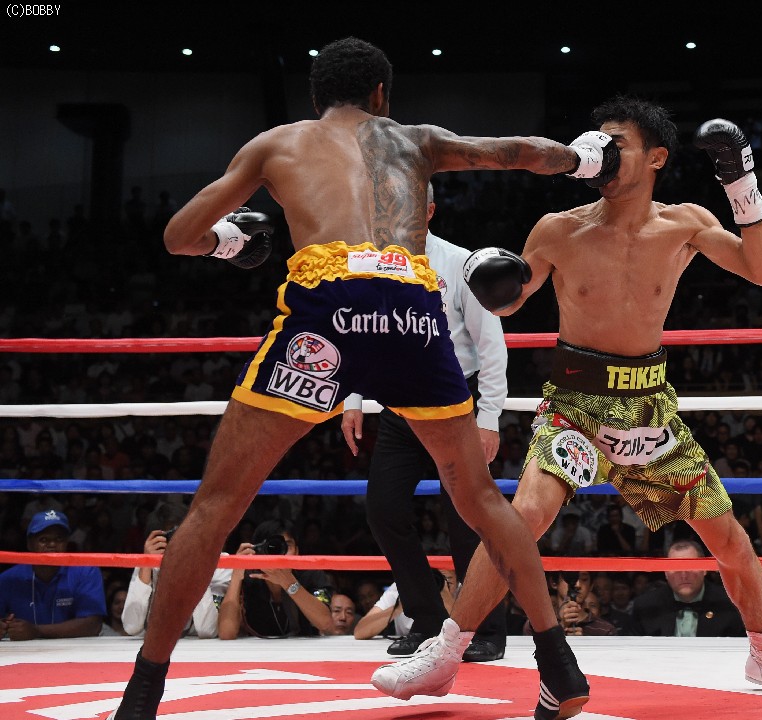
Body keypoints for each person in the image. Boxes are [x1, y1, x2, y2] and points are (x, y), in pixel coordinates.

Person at [105, 36, 616, 720]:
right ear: (382, 95)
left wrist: (228, 242)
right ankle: (557, 664)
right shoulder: (416, 140)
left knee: (217, 505)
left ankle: (142, 694)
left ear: (316, 97)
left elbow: (177, 236)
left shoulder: (277, 144)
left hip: (327, 313)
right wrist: (585, 159)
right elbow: (519, 151)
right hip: (412, 311)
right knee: (480, 501)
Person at [379, 97, 762, 699]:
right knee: (523, 518)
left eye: (619, 143)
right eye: (600, 140)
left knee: (727, 538)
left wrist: (740, 185)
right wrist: (491, 280)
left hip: (649, 408)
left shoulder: (685, 223)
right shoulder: (558, 228)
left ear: (657, 157)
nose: (604, 152)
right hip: (576, 403)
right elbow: (510, 302)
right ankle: (446, 654)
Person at [341, 181, 510, 660]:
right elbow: (363, 335)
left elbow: (491, 344)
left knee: (468, 518)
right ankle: (427, 618)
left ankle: (485, 629)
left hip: (456, 404)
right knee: (384, 509)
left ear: (430, 210)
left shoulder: (460, 263)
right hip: (399, 405)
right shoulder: (369, 263)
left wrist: (489, 417)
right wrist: (352, 398)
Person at [122, 503, 231, 638]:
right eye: (172, 536)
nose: (179, 544)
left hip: (202, 648)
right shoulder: (148, 565)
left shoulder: (219, 564)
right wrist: (147, 564)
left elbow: (207, 630)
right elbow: (131, 627)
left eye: (184, 535)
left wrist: (195, 567)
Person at [217, 520, 335, 639]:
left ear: (297, 552)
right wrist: (236, 574)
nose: (280, 554)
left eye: (287, 546)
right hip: (257, 648)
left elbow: (325, 623)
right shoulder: (248, 578)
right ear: (257, 552)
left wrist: (289, 583)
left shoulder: (311, 575)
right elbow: (226, 633)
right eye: (272, 547)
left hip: (304, 648)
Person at [0, 510, 105, 640]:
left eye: (59, 539)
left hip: (75, 649)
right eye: (43, 539)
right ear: (29, 544)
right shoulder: (9, 578)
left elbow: (93, 625)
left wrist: (36, 631)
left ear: (67, 542)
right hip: (23, 650)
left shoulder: (86, 571)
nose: (52, 544)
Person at [631, 539, 744, 637]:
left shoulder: (730, 605)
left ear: (705, 569)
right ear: (665, 573)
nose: (684, 575)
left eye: (691, 566)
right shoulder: (646, 606)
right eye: (676, 568)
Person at [354, 569, 457, 640]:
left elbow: (460, 635)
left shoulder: (462, 590)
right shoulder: (400, 588)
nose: (432, 586)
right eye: (429, 580)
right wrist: (400, 606)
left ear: (457, 579)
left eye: (446, 579)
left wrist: (443, 592)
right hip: (408, 655)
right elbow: (360, 632)